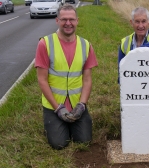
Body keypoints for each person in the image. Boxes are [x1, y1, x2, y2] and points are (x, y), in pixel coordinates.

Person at [35, 4, 98, 150]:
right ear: (57, 21)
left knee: (84, 141)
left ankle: (72, 123)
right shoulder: (45, 44)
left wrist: (82, 105)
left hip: (77, 105)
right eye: (64, 19)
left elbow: (87, 79)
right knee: (59, 144)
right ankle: (58, 124)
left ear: (77, 21)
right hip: (54, 106)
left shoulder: (86, 45)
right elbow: (42, 80)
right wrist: (58, 109)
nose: (68, 23)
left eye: (71, 19)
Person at [118, 7, 149, 82]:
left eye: (144, 21)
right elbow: (121, 73)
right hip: (134, 86)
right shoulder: (125, 42)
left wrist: (135, 54)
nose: (140, 26)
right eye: (137, 21)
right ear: (131, 23)